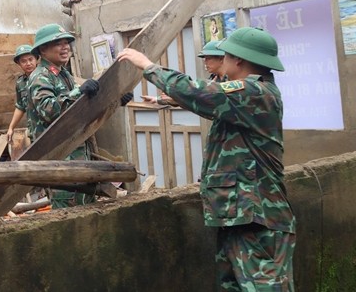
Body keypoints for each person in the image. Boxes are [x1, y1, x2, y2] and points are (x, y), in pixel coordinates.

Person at [118, 27, 295, 290]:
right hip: (239, 216)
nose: (220, 61)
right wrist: (168, 100)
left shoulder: (254, 92)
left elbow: (201, 92)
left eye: (224, 56)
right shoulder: (249, 94)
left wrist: (148, 66)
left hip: (258, 219)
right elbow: (207, 100)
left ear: (239, 60)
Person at [26, 24, 132, 208]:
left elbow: (83, 109)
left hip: (77, 153)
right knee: (65, 211)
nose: (65, 47)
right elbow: (48, 110)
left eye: (67, 42)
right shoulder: (40, 76)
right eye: (58, 43)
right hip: (59, 158)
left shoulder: (64, 74)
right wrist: (78, 93)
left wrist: (114, 100)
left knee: (84, 205)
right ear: (43, 49)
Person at [142, 40, 225, 106]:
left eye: (208, 58)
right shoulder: (213, 78)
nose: (205, 62)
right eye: (204, 58)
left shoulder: (232, 81)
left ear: (221, 59)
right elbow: (195, 97)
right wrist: (157, 99)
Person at [6, 44, 38, 145]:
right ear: (19, 64)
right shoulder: (21, 83)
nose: (28, 63)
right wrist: (11, 128)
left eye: (30, 59)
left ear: (36, 59)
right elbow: (20, 106)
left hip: (52, 129)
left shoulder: (46, 77)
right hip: (35, 132)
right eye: (23, 61)